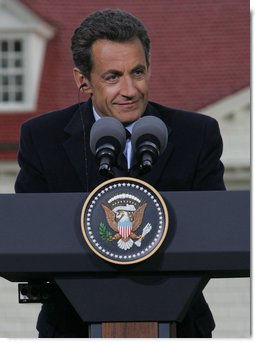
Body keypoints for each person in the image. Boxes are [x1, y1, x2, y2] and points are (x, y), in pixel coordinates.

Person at [15, 8, 225, 338]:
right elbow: (30, 233)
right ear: (82, 80)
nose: (130, 89)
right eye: (112, 77)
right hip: (71, 328)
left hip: (179, 324)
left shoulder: (197, 134)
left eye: (138, 73)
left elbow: (217, 232)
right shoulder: (42, 138)